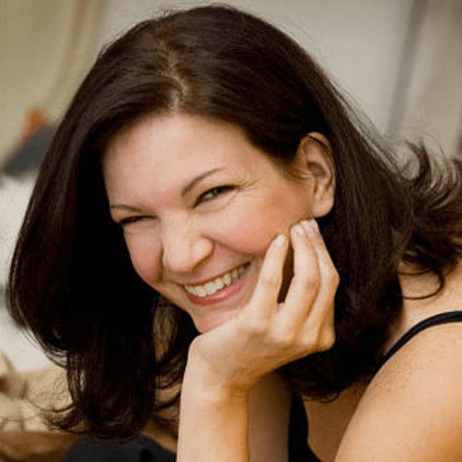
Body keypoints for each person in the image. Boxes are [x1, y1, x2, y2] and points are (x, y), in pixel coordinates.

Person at [6, 4, 462, 461]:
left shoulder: (443, 368)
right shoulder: (267, 304)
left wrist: (215, 383)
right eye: (135, 218)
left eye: (212, 193)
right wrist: (224, 375)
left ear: (316, 173)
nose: (180, 256)